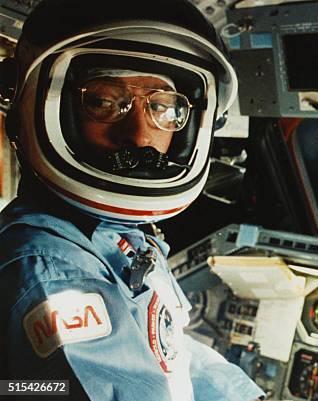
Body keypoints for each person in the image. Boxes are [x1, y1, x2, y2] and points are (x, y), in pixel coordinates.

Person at [0, 1, 265, 400]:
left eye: (162, 107)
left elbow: (168, 351)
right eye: (105, 101)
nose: (140, 135)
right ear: (38, 108)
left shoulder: (115, 235)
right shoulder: (50, 270)